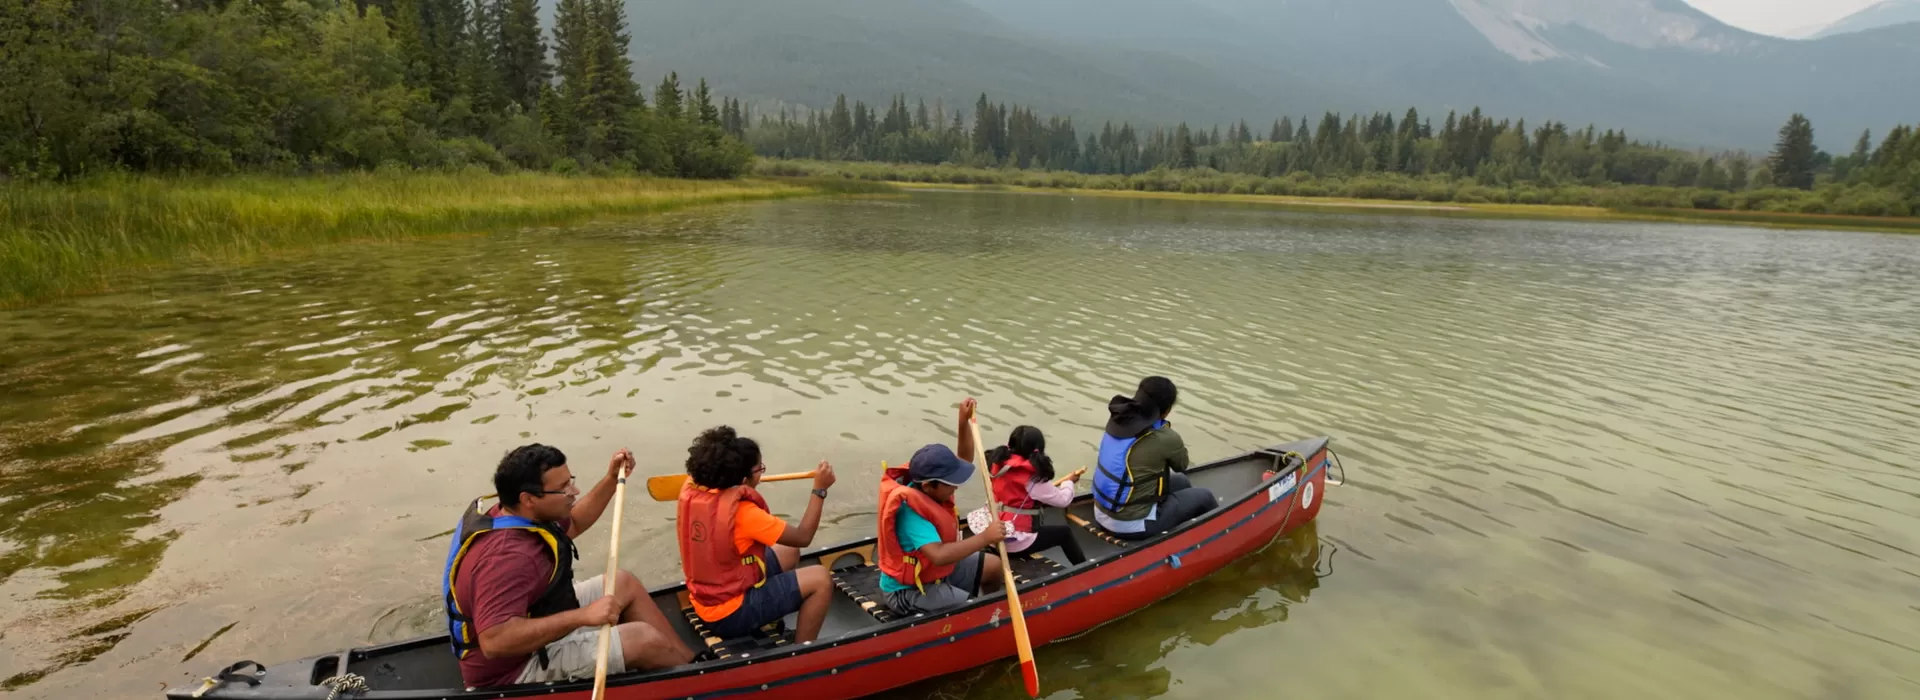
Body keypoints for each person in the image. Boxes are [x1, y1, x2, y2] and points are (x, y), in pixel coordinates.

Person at [444, 444, 694, 690]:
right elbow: (494, 641)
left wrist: (611, 479)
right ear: (528, 498)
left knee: (622, 582)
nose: (574, 490)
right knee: (643, 640)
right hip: (514, 672)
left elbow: (573, 523)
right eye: (563, 488)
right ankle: (701, 686)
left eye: (569, 480)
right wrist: (582, 617)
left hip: (537, 620)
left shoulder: (516, 514)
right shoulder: (507, 556)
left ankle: (692, 666)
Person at [676, 426, 838, 643]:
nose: (762, 475)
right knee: (821, 579)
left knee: (789, 550)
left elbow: (794, 543)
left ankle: (766, 617)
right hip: (730, 614)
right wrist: (820, 490)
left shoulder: (691, 489)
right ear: (743, 481)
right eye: (759, 469)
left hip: (707, 601)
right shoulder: (744, 514)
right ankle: (801, 653)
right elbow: (804, 536)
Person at [876, 435, 1006, 616]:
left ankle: (994, 613)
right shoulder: (911, 512)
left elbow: (964, 460)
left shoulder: (932, 489)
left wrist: (963, 421)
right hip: (908, 590)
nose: (956, 487)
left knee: (992, 566)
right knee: (971, 606)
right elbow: (938, 555)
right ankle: (981, 617)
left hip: (932, 572)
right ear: (929, 486)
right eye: (951, 483)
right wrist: (985, 537)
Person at [1091, 376, 1218, 540]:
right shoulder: (1164, 437)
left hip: (1100, 511)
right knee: (1205, 497)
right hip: (1128, 525)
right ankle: (1222, 540)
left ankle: (1179, 531)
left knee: (1181, 481)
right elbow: (1182, 464)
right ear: (1167, 410)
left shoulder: (1118, 419)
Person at [965, 417, 1088, 565]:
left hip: (991, 529)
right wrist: (1069, 482)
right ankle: (1086, 568)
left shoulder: (998, 463)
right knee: (1065, 533)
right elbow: (1063, 500)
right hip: (1012, 540)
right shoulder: (1032, 477)